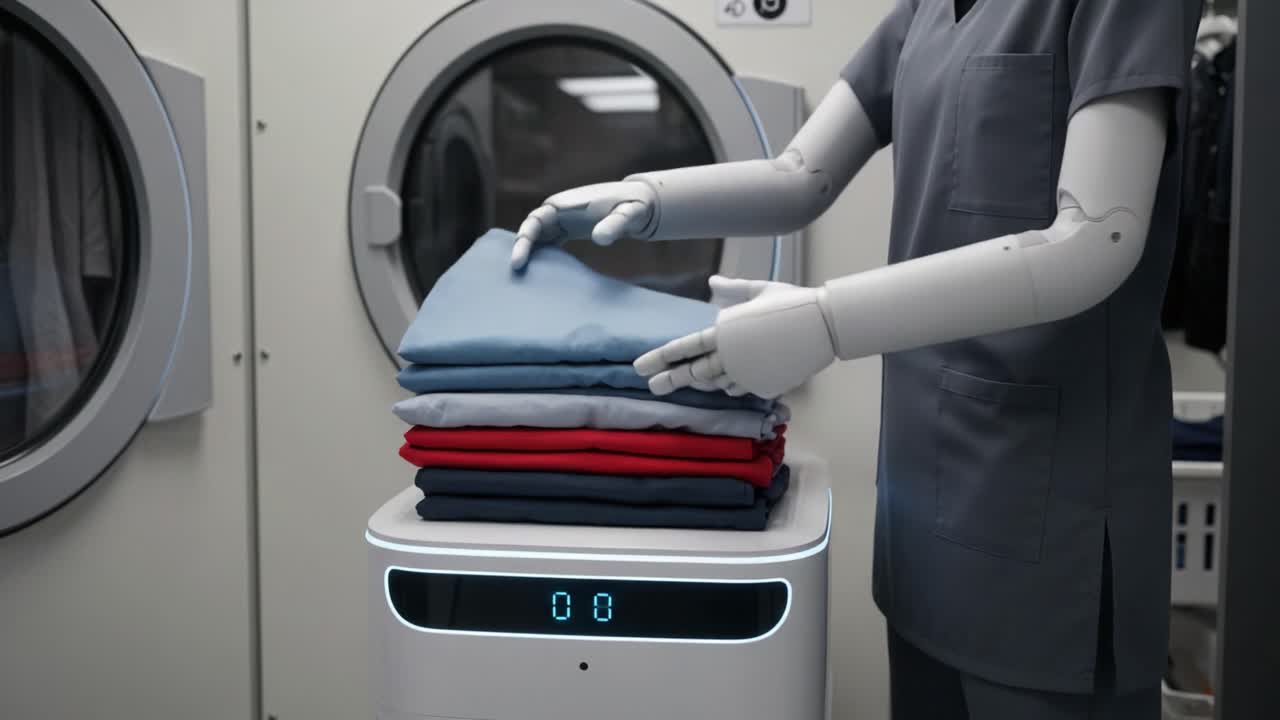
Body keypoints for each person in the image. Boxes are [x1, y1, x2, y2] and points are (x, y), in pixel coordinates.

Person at [509, 1, 1201, 717]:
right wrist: (646, 199)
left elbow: (1097, 241)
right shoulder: (927, 10)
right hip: (925, 497)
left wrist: (824, 321)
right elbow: (799, 176)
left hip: (1055, 512)